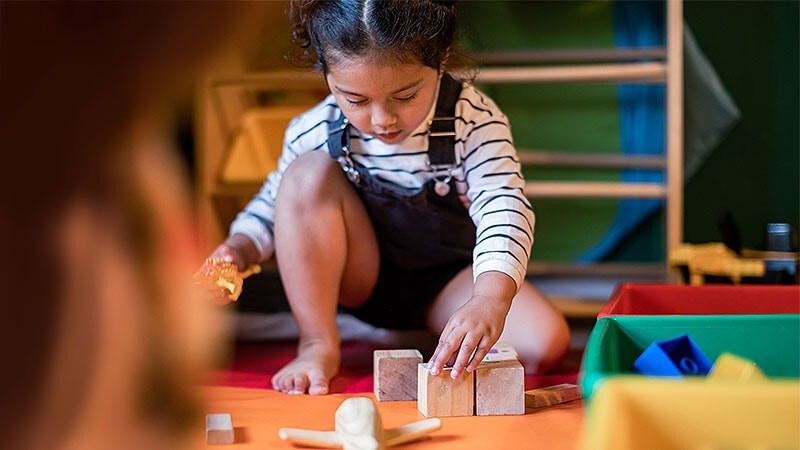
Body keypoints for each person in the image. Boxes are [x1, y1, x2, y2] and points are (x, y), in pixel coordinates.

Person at [206, 0, 570, 395]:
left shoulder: (474, 121)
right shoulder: (315, 128)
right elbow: (269, 209)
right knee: (304, 175)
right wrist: (236, 252)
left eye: (405, 95)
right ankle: (317, 342)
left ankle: (436, 328)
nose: (382, 120)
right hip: (362, 278)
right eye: (356, 100)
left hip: (446, 284)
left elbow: (505, 206)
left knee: (544, 345)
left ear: (441, 58)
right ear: (327, 74)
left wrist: (488, 300)